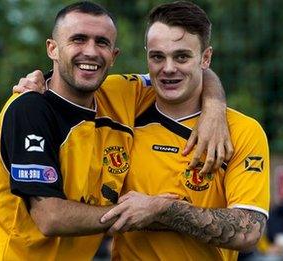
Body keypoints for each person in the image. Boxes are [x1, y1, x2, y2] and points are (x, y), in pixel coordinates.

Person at [0, 1, 230, 260]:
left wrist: (214, 108)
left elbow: (187, 72)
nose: (90, 51)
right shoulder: (31, 109)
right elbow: (49, 217)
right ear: (52, 49)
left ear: (114, 55)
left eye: (102, 42)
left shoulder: (121, 94)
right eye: (78, 39)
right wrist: (148, 213)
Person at [98, 2, 270, 260]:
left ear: (206, 58)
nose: (168, 68)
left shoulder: (242, 130)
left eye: (182, 56)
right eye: (157, 56)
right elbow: (73, 81)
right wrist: (38, 83)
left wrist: (163, 209)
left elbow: (248, 232)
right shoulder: (123, 108)